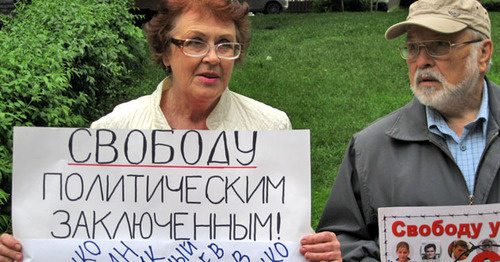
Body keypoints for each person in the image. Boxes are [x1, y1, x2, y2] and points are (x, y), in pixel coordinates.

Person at [0, 0, 341, 261]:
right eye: (195, 42)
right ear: (165, 51)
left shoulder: (271, 128)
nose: (213, 57)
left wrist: (317, 250)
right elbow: (80, 240)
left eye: (225, 44)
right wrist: (27, 247)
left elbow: (283, 235)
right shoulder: (113, 131)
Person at [316, 0, 498, 260]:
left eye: (439, 45)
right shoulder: (370, 148)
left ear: (483, 53)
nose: (422, 61)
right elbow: (344, 240)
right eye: (413, 48)